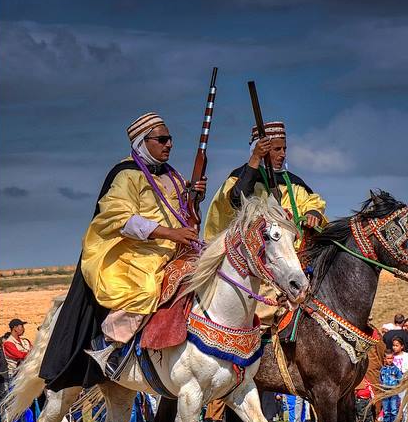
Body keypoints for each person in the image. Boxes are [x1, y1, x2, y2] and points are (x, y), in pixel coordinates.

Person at [39, 113, 206, 390]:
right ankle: (110, 346)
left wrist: (193, 197)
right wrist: (170, 233)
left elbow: (181, 213)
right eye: (162, 139)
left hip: (176, 249)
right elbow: (121, 219)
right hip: (135, 254)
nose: (169, 145)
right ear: (143, 142)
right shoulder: (126, 175)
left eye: (170, 139)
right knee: (146, 288)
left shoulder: (173, 175)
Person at [202, 120, 327, 331]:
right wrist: (255, 159)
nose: (283, 154)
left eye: (284, 148)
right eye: (276, 149)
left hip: (295, 263)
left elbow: (312, 202)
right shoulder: (240, 178)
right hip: (258, 267)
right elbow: (233, 200)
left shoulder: (293, 182)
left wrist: (313, 213)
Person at [380, 351, 404, 422]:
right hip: (385, 392)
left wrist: (398, 387)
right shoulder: (382, 370)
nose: (390, 360)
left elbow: (400, 379)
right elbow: (380, 380)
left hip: (393, 392)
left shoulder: (396, 370)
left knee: (394, 409)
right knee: (386, 409)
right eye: (388, 358)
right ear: (384, 359)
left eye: (391, 358)